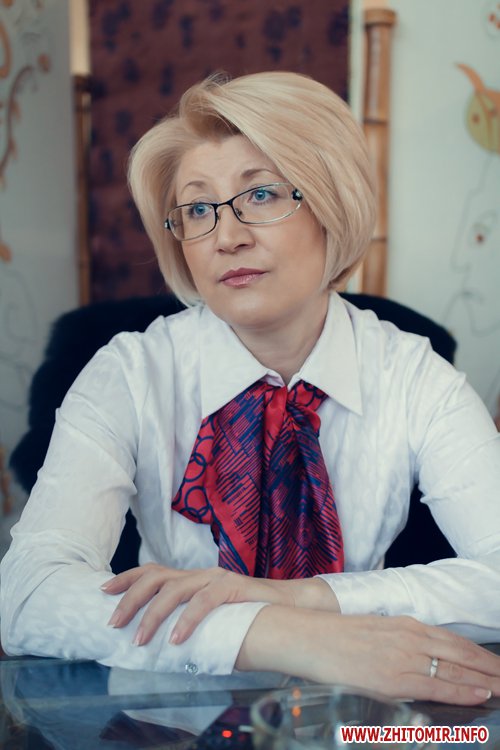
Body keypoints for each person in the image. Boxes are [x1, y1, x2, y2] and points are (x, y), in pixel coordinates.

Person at [1, 71, 500, 706]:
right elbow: (27, 594)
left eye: (261, 194)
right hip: (165, 723)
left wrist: (306, 599)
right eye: (198, 209)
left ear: (332, 205)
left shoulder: (416, 376)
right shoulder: (128, 372)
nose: (226, 236)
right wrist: (285, 635)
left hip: (353, 719)